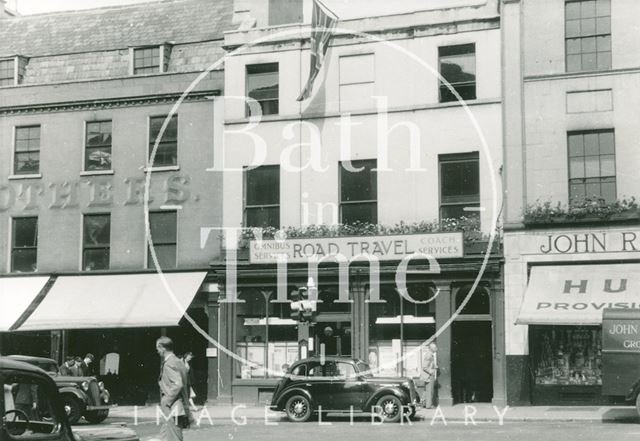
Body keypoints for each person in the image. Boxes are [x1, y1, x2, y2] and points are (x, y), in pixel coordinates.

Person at [156, 337, 190, 441]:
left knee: (174, 437)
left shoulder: (169, 363)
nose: (157, 351)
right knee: (165, 436)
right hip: (178, 406)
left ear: (162, 348)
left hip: (172, 406)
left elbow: (178, 384)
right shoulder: (179, 362)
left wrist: (166, 400)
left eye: (157, 348)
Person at [421, 342, 438, 409]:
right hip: (429, 376)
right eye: (435, 347)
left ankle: (423, 404)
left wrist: (435, 366)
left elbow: (429, 364)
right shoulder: (429, 355)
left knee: (426, 390)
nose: (436, 349)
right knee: (429, 391)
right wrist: (431, 372)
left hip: (428, 375)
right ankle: (428, 405)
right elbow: (424, 367)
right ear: (431, 348)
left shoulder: (430, 355)